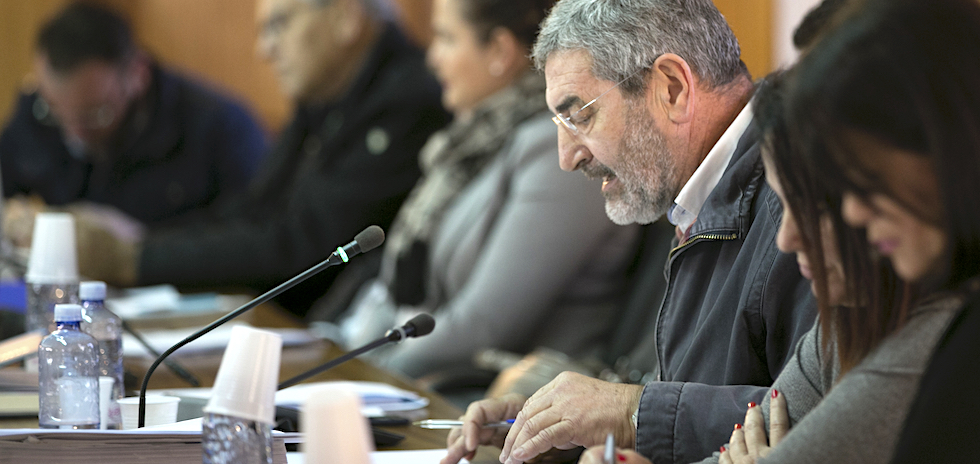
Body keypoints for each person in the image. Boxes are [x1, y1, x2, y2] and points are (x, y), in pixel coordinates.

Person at [441, 1, 817, 463]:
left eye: (580, 117)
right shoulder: (688, 196)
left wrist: (631, 413)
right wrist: (561, 427)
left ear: (672, 88)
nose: (566, 157)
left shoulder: (802, 203)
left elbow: (820, 421)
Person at [705, 0, 980, 462]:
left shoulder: (947, 331)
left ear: (940, 139)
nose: (854, 210)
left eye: (861, 179)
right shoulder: (851, 323)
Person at [68, 0, 450, 313]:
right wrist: (142, 243)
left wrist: (134, 260)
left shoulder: (409, 101)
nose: (264, 50)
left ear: (346, 19)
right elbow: (253, 211)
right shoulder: (325, 100)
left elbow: (303, 247)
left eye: (279, 25)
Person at [324, 0, 637, 379]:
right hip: (434, 386)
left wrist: (362, 373)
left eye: (446, 39)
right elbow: (400, 289)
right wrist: (346, 361)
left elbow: (483, 326)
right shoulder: (473, 143)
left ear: (500, 52)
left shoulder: (561, 154)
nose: (432, 59)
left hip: (510, 408)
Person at [0, 2, 267, 228]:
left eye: (94, 114)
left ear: (137, 74)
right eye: (55, 112)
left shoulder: (221, 128)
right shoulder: (36, 111)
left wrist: (141, 250)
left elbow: (252, 240)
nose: (74, 134)